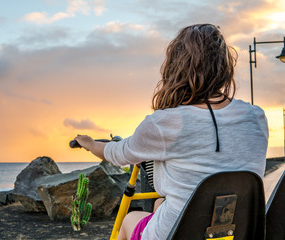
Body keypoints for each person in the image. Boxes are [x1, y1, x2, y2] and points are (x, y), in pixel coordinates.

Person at [74, 23, 268, 240]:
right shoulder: (256, 117)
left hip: (179, 234)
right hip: (237, 231)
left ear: (176, 67)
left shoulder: (165, 122)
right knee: (160, 204)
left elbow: (117, 154)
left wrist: (90, 144)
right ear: (224, 66)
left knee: (130, 220)